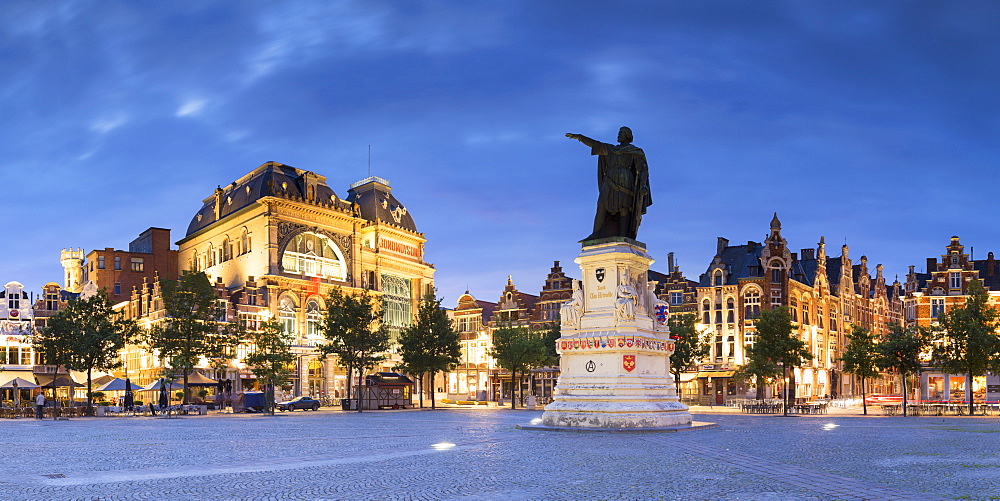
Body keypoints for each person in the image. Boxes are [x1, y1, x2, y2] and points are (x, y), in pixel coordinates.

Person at [566, 127, 651, 241]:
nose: (618, 135)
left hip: (625, 179)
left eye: (621, 133)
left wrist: (643, 185)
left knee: (624, 207)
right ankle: (595, 234)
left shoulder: (635, 151)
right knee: (602, 205)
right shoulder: (610, 149)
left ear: (627, 135)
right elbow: (595, 144)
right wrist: (580, 137)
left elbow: (642, 169)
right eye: (618, 133)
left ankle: (623, 236)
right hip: (609, 179)